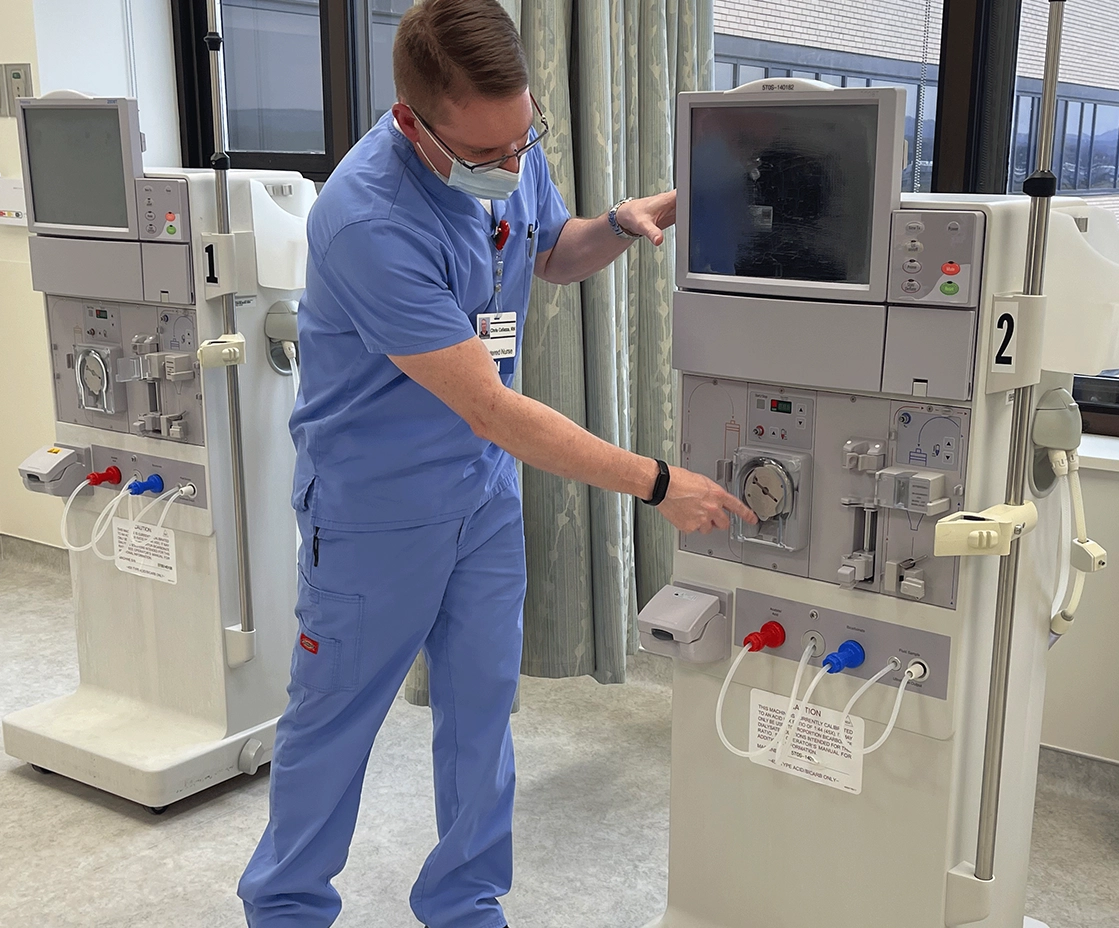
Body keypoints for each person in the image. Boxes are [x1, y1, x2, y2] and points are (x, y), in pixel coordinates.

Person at [236, 1, 755, 926]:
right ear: (413, 121)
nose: (513, 166)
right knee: (333, 725)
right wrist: (658, 484)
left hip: (480, 495)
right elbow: (492, 404)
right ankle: (285, 907)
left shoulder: (501, 143)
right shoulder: (368, 220)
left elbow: (550, 252)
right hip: (373, 511)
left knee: (482, 719)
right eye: (491, 155)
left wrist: (624, 225)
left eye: (526, 139)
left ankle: (467, 904)